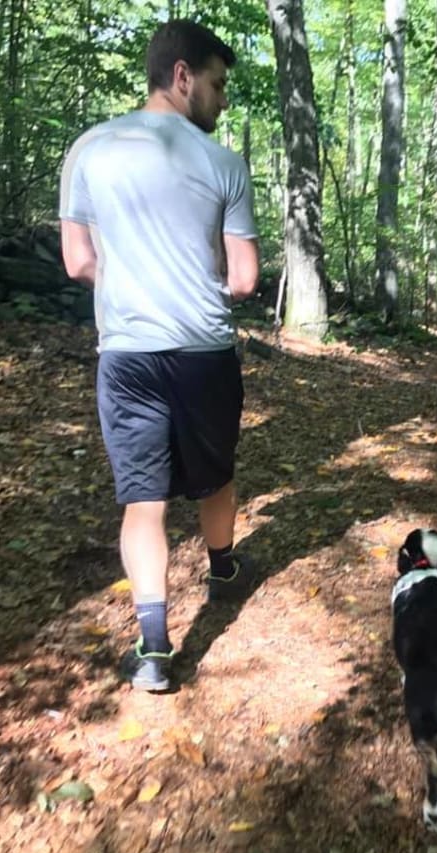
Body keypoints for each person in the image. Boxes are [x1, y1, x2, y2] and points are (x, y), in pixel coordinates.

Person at [59, 19, 260, 693]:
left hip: (128, 351)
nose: (222, 99)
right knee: (214, 474)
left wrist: (132, 282)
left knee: (142, 502)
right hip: (203, 349)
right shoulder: (224, 164)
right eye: (217, 83)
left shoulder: (88, 149)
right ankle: (224, 568)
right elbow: (243, 280)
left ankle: (152, 648)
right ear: (183, 76)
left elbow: (78, 260)